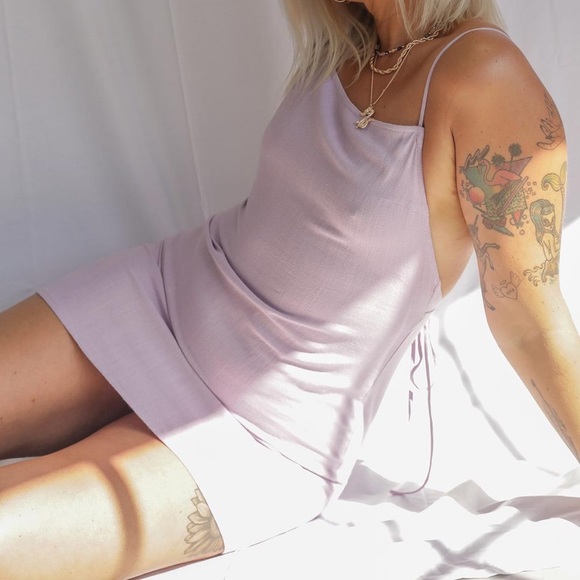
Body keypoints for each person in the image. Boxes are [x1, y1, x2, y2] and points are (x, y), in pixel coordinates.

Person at [1, 0, 579, 578]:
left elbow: (531, 323)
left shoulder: (484, 73)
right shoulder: (350, 46)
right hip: (161, 298)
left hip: (260, 430)